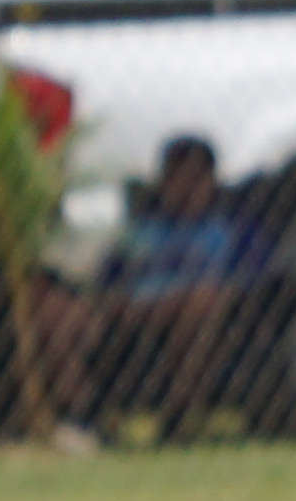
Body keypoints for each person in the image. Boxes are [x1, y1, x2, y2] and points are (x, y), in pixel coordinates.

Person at [90, 135, 269, 437]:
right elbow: (106, 282)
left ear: (212, 182)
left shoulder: (232, 229)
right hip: (135, 312)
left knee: (200, 302)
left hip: (200, 311)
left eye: (196, 179)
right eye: (177, 179)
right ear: (163, 183)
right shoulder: (141, 230)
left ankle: (179, 412)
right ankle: (92, 414)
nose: (186, 189)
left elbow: (253, 281)